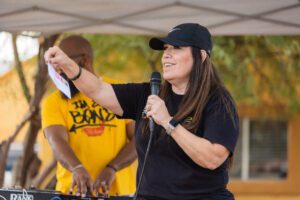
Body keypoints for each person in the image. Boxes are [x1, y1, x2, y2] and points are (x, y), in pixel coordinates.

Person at [44, 23, 239, 200]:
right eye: (165, 49)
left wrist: (168, 122)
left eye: (176, 48)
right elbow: (98, 90)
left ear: (202, 56)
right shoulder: (148, 93)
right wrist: (67, 64)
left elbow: (213, 158)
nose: (166, 55)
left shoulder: (218, 101)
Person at [41, 35, 137, 197]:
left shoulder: (119, 90)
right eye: (54, 65)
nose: (58, 71)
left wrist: (112, 168)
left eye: (62, 63)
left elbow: (139, 138)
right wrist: (76, 168)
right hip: (71, 192)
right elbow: (56, 140)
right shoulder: (53, 102)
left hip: (118, 192)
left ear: (84, 60)